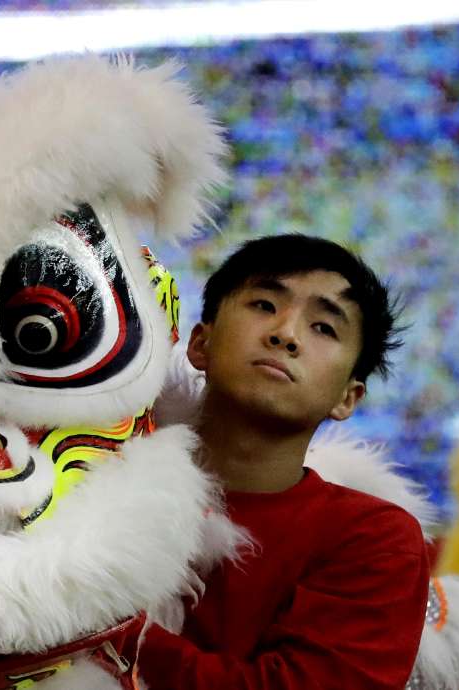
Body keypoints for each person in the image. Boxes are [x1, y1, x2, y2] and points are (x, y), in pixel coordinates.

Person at [132, 234, 430, 689]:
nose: (286, 334)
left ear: (348, 397)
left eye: (324, 328)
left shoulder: (375, 540)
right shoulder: (90, 463)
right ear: (200, 343)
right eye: (265, 305)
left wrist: (90, 624)